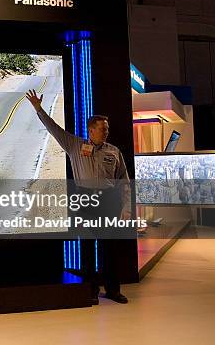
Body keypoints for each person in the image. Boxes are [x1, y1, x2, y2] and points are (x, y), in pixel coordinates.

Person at [25, 89, 131, 304]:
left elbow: (125, 182)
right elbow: (53, 129)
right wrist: (38, 109)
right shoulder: (74, 145)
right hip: (85, 201)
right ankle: (90, 290)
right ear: (91, 130)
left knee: (110, 249)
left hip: (109, 202)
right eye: (103, 129)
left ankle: (113, 290)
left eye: (107, 129)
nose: (106, 132)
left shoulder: (114, 151)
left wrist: (126, 208)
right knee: (87, 249)